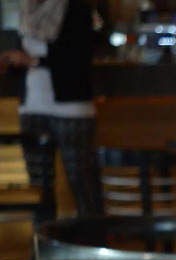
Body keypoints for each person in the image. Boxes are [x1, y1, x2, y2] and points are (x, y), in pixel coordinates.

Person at [1, 0, 103, 217]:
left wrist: (34, 61)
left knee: (82, 185)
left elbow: (79, 58)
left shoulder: (75, 8)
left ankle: (92, 235)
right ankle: (44, 238)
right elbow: (26, 60)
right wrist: (12, 63)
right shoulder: (28, 11)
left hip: (72, 109)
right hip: (32, 108)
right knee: (39, 190)